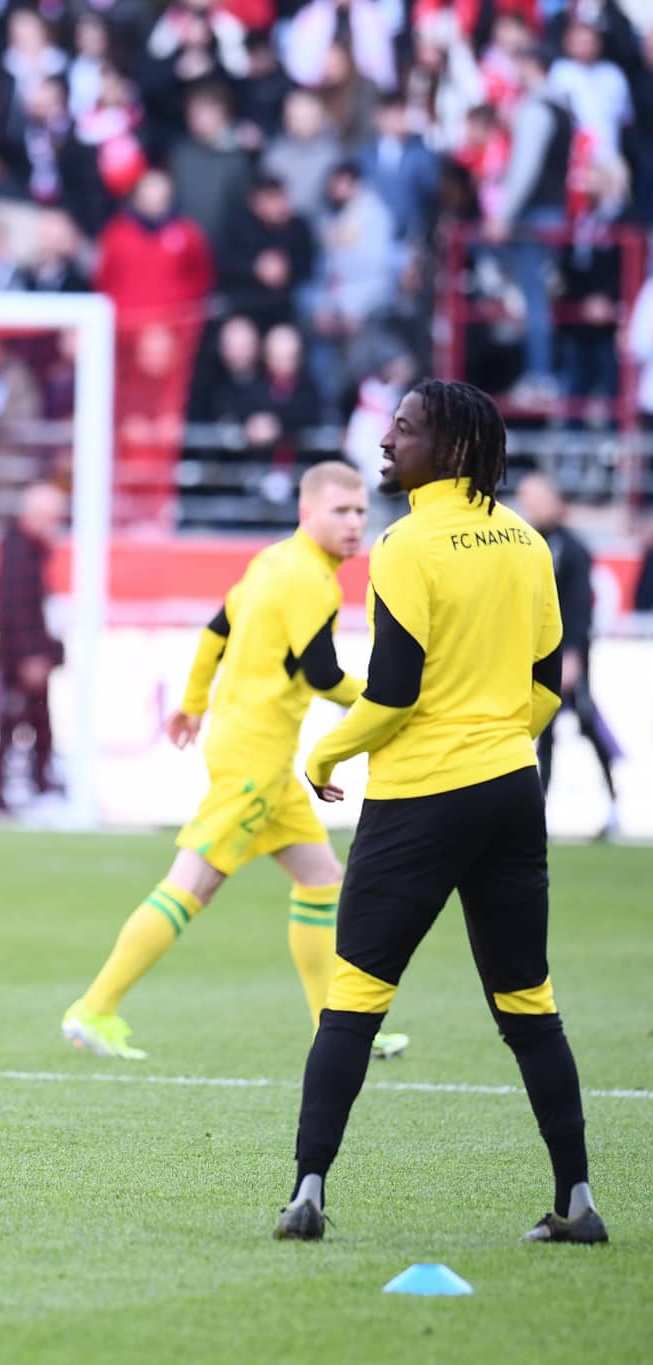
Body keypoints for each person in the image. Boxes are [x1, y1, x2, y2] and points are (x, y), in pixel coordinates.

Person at [279, 380, 604, 1245]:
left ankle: (308, 1189)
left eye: (406, 429)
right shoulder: (529, 540)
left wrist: (326, 751)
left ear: (451, 449)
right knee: (528, 1000)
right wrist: (497, 744)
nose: (387, 440)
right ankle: (576, 1200)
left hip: (420, 797)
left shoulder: (406, 543)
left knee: (354, 995)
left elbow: (391, 695)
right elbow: (546, 687)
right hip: (510, 791)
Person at [62, 463, 407, 1062]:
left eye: (361, 513)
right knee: (193, 883)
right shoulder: (311, 580)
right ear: (308, 512)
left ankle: (337, 1029)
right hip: (256, 757)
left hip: (253, 749)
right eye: (341, 512)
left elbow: (214, 632)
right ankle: (94, 1008)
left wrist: (194, 703)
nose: (356, 524)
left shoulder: (273, 560)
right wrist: (392, 702)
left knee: (321, 878)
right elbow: (321, 674)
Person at [517, 473, 622, 839]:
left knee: (587, 725)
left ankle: (614, 804)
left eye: (533, 499)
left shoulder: (571, 549)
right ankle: (539, 810)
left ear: (552, 499)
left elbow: (578, 609)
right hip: (541, 657)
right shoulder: (531, 542)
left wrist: (573, 656)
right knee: (545, 733)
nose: (527, 506)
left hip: (568, 658)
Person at [0, 483, 65, 806]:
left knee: (32, 727)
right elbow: (15, 607)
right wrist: (31, 655)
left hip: (27, 656)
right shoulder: (19, 551)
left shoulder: (31, 550)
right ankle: (7, 791)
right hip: (22, 659)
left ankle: (22, 789)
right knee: (20, 727)